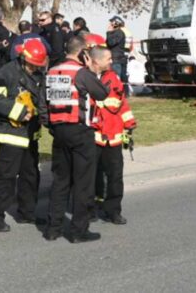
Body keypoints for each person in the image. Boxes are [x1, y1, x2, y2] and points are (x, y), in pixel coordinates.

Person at [43, 37, 111, 243]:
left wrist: (52, 126)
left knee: (60, 181)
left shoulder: (52, 71)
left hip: (59, 130)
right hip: (80, 131)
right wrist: (92, 70)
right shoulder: (81, 73)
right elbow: (101, 93)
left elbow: (43, 102)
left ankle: (52, 229)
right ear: (83, 54)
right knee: (83, 183)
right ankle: (78, 231)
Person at [0, 38, 47, 232]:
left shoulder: (39, 74)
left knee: (31, 175)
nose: (35, 68)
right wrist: (17, 111)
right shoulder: (6, 72)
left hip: (30, 133)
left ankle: (27, 213)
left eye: (38, 65)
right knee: (6, 176)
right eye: (32, 65)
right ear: (23, 58)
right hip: (10, 133)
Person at [92, 59, 137, 225]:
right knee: (90, 175)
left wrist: (129, 124)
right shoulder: (84, 77)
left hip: (113, 137)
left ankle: (113, 210)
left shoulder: (113, 78)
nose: (111, 61)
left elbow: (122, 103)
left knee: (115, 176)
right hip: (93, 135)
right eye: (107, 59)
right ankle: (91, 208)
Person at [106, 16, 129, 91]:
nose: (109, 24)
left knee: (116, 78)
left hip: (117, 60)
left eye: (111, 22)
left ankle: (121, 92)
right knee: (121, 78)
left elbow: (111, 43)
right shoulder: (117, 33)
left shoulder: (118, 33)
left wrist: (109, 32)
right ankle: (124, 93)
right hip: (118, 59)